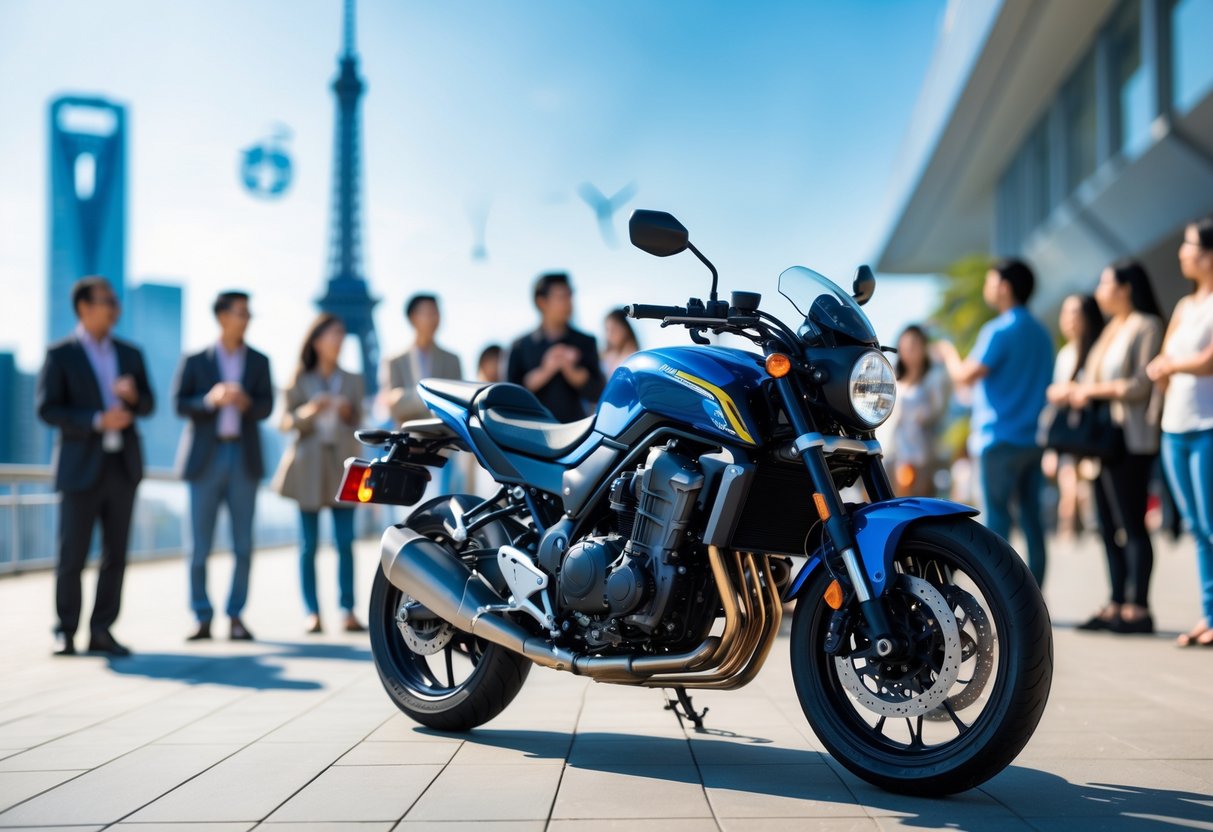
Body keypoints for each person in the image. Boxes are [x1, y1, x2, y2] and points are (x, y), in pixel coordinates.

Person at [36, 276, 154, 656]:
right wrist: (96, 420)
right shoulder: (61, 354)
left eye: (116, 300)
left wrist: (134, 398)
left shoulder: (130, 353)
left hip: (122, 466)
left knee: (115, 555)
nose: (115, 307)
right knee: (72, 554)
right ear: (84, 307)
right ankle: (65, 630)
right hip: (79, 466)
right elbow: (47, 409)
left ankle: (102, 629)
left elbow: (149, 405)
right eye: (107, 300)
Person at [1056, 262, 1163, 634]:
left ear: (1125, 288)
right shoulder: (1110, 329)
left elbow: (1141, 385)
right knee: (1105, 526)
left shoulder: (1146, 325)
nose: (1100, 290)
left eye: (1105, 283)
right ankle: (1117, 600)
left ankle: (1139, 607)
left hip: (1131, 439)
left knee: (1132, 524)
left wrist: (1089, 391)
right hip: (1104, 443)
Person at [936, 259, 1053, 586]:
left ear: (1004, 286)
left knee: (997, 523)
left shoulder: (998, 330)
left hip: (998, 439)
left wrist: (947, 353)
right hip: (1033, 440)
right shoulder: (1042, 334)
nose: (988, 287)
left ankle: (1000, 594)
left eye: (991, 281)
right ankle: (1035, 595)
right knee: (1033, 522)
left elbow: (965, 375)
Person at [172, 291, 274, 642]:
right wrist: (209, 400)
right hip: (205, 457)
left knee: (243, 545)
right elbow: (178, 404)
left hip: (243, 457)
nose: (245, 318)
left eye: (249, 313)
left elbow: (267, 407)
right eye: (240, 312)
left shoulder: (259, 361)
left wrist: (246, 401)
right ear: (221, 316)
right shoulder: (196, 359)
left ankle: (235, 616)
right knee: (198, 546)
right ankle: (201, 616)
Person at [272, 314, 366, 634]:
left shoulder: (352, 379)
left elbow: (360, 421)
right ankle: (312, 611)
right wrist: (310, 410)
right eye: (333, 334)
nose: (339, 339)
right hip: (308, 465)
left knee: (345, 542)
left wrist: (345, 410)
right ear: (317, 340)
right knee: (308, 544)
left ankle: (347, 609)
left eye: (342, 334)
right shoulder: (299, 378)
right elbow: (284, 421)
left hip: (343, 464)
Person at [1147, 217, 1213, 647]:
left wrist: (1169, 366)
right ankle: (1208, 616)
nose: (1182, 253)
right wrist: (1166, 367)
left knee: (1211, 523)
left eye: (1188, 244)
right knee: (1195, 526)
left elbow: (1207, 361)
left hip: (1208, 426)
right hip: (1175, 426)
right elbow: (1163, 358)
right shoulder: (1187, 306)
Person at [1043, 295, 1105, 538]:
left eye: (1074, 313)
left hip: (1094, 434)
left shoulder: (1097, 349)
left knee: (1085, 489)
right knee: (1069, 489)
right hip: (1070, 435)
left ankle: (1088, 528)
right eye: (1065, 312)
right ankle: (1069, 533)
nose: (1068, 319)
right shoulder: (1065, 353)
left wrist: (1068, 391)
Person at [507, 272, 605, 422]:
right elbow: (508, 396)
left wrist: (572, 371)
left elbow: (598, 393)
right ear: (541, 302)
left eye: (569, 296)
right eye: (561, 297)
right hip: (532, 430)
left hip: (577, 431)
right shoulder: (520, 345)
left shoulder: (586, 341)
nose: (568, 303)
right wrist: (546, 370)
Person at [882, 325, 949, 497]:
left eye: (915, 345)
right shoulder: (893, 381)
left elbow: (938, 409)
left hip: (922, 456)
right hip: (893, 455)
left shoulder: (933, 380)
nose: (910, 351)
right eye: (906, 346)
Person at [383, 294, 462, 425]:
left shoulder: (452, 360)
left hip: (444, 440)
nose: (434, 319)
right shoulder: (394, 360)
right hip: (408, 440)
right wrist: (434, 398)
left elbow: (458, 405)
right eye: (428, 313)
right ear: (413, 318)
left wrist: (407, 398)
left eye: (436, 313)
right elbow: (392, 406)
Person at [601, 308, 640, 378]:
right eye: (607, 330)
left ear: (625, 329)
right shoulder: (606, 356)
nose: (609, 335)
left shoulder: (633, 358)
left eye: (614, 329)